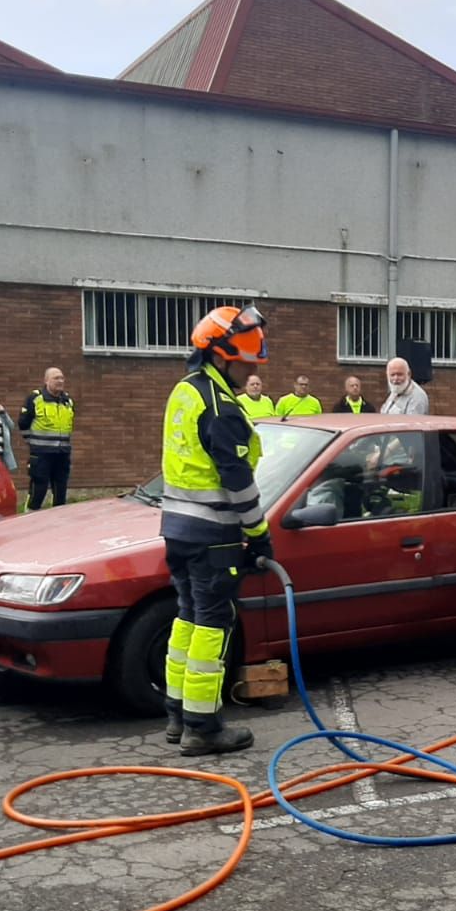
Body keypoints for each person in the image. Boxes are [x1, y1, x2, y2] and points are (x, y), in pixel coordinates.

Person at [160, 305, 272, 755]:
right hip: (213, 536)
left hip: (178, 529)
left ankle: (177, 714)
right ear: (224, 356)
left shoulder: (184, 391)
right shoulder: (221, 407)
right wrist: (260, 534)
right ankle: (202, 727)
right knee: (213, 626)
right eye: (248, 362)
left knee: (187, 617)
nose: (252, 370)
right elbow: (237, 479)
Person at [18, 368, 74, 510]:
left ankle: (59, 518)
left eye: (62, 378)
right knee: (39, 487)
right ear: (46, 381)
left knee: (61, 488)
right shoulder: (36, 399)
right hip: (41, 453)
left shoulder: (67, 401)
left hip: (62, 453)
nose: (60, 381)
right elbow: (23, 423)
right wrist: (32, 443)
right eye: (56, 378)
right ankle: (30, 515)